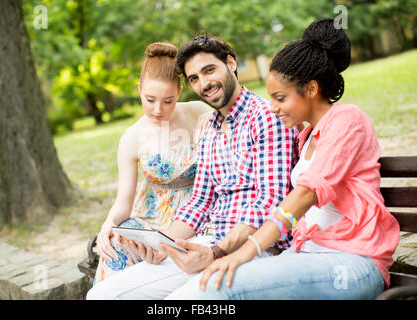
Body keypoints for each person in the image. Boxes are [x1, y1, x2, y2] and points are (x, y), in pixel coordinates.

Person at [198, 18, 401, 300]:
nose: (273, 108)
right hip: (308, 254)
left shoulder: (347, 119)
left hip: (353, 260)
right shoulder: (305, 135)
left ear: (311, 89)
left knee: (220, 287)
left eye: (280, 98)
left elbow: (307, 193)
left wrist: (244, 252)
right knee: (207, 285)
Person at [86, 35, 296, 299]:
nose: (204, 83)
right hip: (205, 242)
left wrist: (216, 251)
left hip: (255, 247)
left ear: (231, 63)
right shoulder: (207, 127)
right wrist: (166, 244)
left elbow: (271, 204)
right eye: (194, 78)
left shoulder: (266, 117)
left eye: (209, 70)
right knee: (102, 295)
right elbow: (199, 202)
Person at [92, 42, 211, 285]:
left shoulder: (198, 112)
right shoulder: (132, 137)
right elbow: (123, 203)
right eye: (150, 99)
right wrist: (109, 223)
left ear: (179, 92)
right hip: (153, 219)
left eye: (168, 101)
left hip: (200, 212)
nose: (158, 110)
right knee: (117, 242)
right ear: (139, 90)